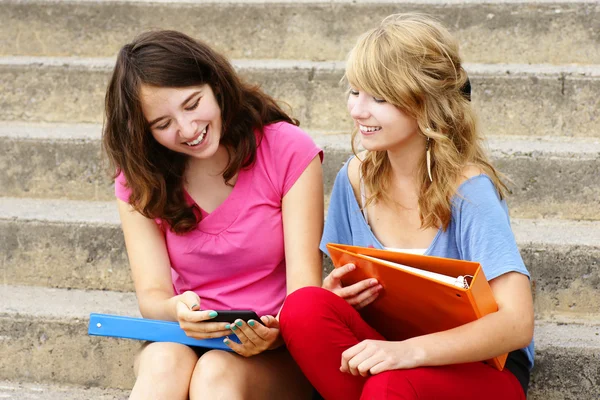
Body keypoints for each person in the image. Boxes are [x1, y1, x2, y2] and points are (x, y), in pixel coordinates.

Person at [279, 13, 534, 400]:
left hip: (477, 369)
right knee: (304, 307)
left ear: (426, 103)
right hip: (389, 354)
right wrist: (336, 296)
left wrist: (407, 352)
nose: (358, 110)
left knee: (390, 383)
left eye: (379, 98)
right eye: (355, 91)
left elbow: (516, 324)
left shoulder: (469, 190)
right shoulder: (354, 178)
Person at [102, 30, 323, 399]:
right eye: (162, 124)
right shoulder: (140, 179)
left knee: (215, 373)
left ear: (215, 86)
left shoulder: (285, 149)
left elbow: (305, 290)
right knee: (162, 365)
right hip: (184, 338)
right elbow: (153, 296)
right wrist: (179, 309)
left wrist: (272, 334)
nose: (187, 129)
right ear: (144, 131)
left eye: (192, 104)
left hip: (278, 347)